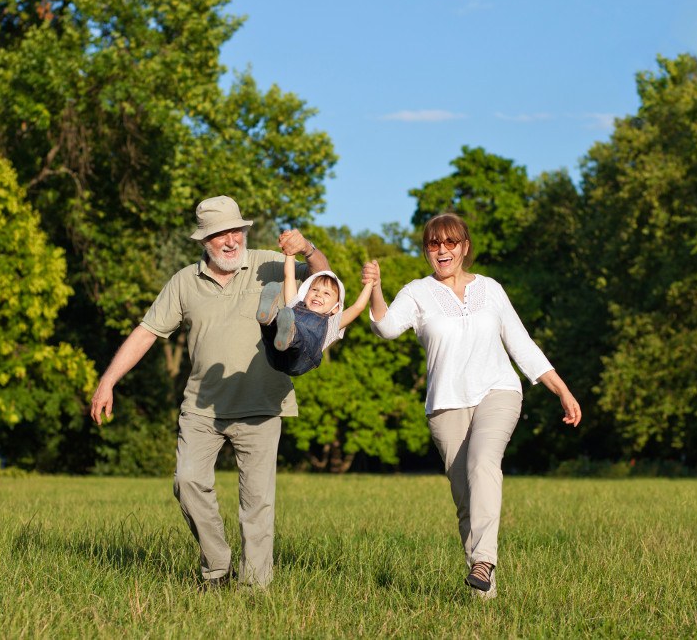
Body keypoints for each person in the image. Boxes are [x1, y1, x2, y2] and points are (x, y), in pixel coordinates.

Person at [89, 194, 330, 588]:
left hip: (262, 404)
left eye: (237, 230)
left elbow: (325, 279)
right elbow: (147, 331)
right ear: (204, 240)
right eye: (221, 234)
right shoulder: (185, 281)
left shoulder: (269, 263)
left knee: (257, 504)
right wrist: (107, 381)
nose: (232, 240)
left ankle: (255, 589)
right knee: (187, 481)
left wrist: (308, 248)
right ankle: (217, 568)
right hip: (203, 408)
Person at [361, 212, 581, 600]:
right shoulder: (417, 292)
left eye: (450, 243)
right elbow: (385, 328)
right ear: (427, 250)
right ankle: (485, 593)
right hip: (446, 405)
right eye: (433, 244)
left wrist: (561, 389)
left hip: (498, 391)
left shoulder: (491, 289)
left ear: (464, 247)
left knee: (483, 463)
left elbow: (521, 343)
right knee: (466, 497)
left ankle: (484, 561)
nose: (442, 250)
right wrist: (375, 288)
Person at [255, 253, 372, 376]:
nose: (318, 294)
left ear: (336, 308)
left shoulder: (332, 323)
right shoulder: (295, 304)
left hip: (300, 361)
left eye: (327, 294)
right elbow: (289, 276)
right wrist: (290, 253)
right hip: (275, 354)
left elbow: (358, 307)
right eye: (314, 290)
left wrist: (370, 282)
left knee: (297, 329)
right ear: (305, 294)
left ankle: (290, 332)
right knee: (276, 325)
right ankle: (268, 319)